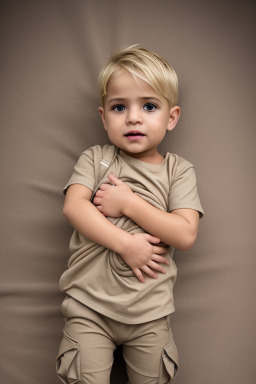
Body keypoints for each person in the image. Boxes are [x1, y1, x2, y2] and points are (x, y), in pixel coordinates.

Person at [56, 45, 204, 384]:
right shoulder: (97, 159)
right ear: (104, 117)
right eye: (119, 107)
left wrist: (129, 205)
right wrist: (125, 244)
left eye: (149, 106)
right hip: (89, 307)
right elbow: (74, 206)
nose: (133, 117)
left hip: (150, 313)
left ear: (171, 117)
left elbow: (185, 234)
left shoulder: (177, 171)